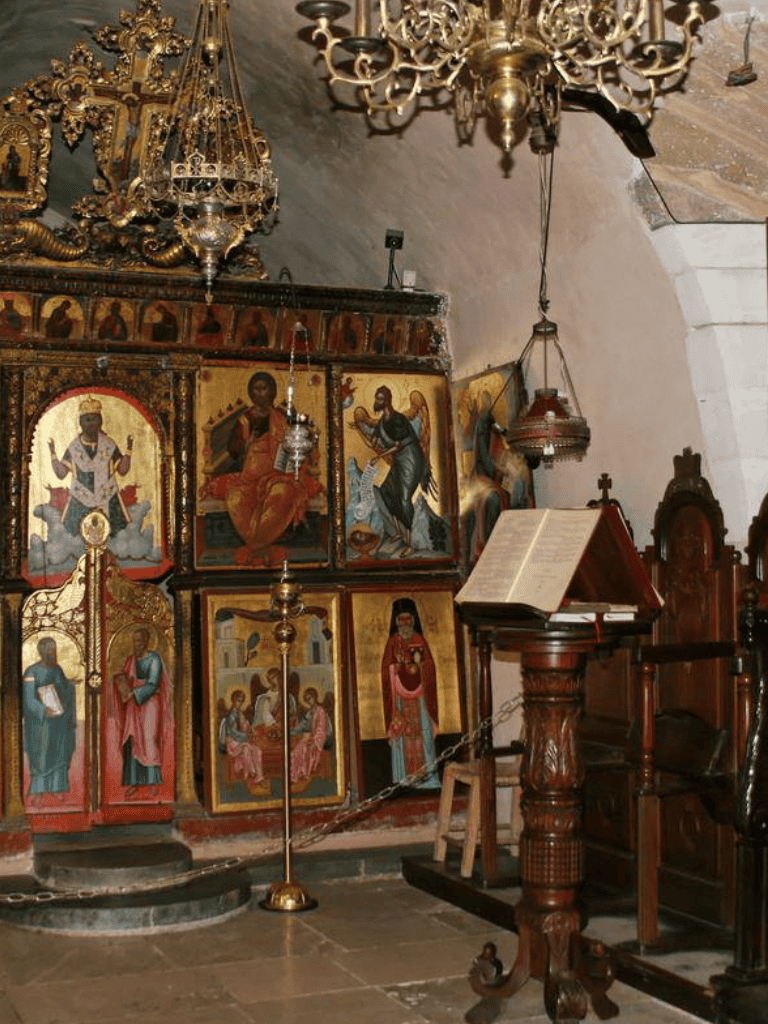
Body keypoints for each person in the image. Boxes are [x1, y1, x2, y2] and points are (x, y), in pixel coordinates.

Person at [214, 370, 322, 564]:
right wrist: (248, 444)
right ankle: (257, 541)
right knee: (237, 497)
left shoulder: (283, 416)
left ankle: (265, 538)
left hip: (281, 473)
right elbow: (233, 450)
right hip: (251, 475)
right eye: (255, 389)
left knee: (282, 493)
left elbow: (301, 441)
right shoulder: (245, 420)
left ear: (272, 392)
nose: (259, 394)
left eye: (263, 388)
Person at [352, 385, 431, 557]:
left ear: (387, 400)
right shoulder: (382, 422)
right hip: (399, 460)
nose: (377, 402)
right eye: (376, 398)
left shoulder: (397, 419)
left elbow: (398, 445)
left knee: (403, 498)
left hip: (411, 458)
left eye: (380, 398)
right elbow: (374, 438)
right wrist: (360, 428)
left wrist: (379, 457)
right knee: (388, 490)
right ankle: (397, 532)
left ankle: (410, 544)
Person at [48, 396, 133, 538]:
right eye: (88, 420)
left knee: (115, 539)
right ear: (81, 423)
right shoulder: (74, 447)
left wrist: (129, 450)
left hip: (107, 498)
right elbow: (61, 473)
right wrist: (53, 454)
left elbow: (122, 471)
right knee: (74, 539)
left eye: (95, 419)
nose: (92, 423)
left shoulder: (109, 444)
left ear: (100, 421)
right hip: (80, 500)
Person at [380, 599, 439, 788]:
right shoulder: (392, 642)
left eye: (408, 620)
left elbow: (430, 666)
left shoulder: (420, 640)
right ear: (396, 622)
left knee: (422, 733)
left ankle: (427, 778)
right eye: (401, 620)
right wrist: (396, 667)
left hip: (420, 697)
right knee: (404, 735)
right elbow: (385, 669)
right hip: (399, 698)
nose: (405, 624)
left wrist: (421, 667)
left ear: (413, 621)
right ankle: (403, 778)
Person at [112, 626, 171, 795]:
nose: (136, 645)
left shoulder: (154, 659)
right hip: (133, 704)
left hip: (149, 702)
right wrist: (119, 680)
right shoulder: (131, 660)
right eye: (134, 642)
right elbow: (124, 677)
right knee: (132, 738)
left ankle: (152, 781)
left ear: (146, 642)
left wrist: (134, 692)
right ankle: (134, 782)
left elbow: (153, 683)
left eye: (139, 641)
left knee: (148, 739)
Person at [22, 637, 77, 803]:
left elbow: (63, 689)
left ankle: (57, 788)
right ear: (40, 651)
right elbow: (28, 698)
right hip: (40, 723)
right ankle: (38, 790)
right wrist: (42, 710)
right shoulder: (31, 671)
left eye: (53, 649)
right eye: (47, 649)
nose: (50, 652)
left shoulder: (57, 669)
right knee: (41, 754)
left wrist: (70, 685)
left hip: (58, 721)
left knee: (59, 752)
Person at [218, 689, 267, 794]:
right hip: (233, 743)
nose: (239, 703)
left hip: (242, 741)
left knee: (257, 750)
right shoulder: (231, 715)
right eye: (238, 700)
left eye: (241, 700)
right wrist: (246, 736)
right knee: (246, 749)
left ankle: (259, 776)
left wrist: (250, 730)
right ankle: (252, 773)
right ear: (233, 700)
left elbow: (246, 727)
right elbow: (233, 732)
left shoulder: (240, 713)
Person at [290, 687, 333, 783]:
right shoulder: (311, 712)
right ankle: (295, 776)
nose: (309, 701)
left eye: (310, 698)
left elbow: (321, 729)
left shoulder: (320, 711)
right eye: (306, 699)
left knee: (305, 749)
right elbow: (302, 726)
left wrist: (315, 742)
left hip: (321, 740)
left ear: (315, 697)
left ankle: (303, 773)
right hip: (312, 738)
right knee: (297, 750)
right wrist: (289, 731)